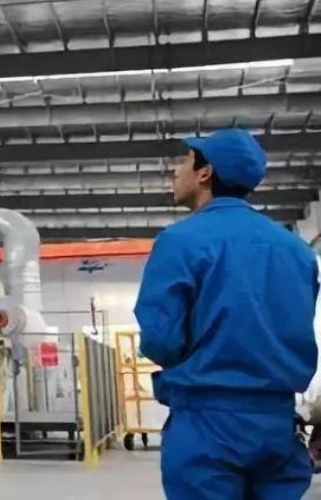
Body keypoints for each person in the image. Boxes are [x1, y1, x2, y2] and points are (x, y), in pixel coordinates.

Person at [136, 128, 319, 500]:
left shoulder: (180, 241)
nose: (176, 170)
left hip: (207, 421)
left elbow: (160, 340)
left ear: (205, 173)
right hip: (277, 423)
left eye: (185, 161)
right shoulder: (297, 251)